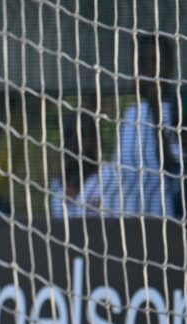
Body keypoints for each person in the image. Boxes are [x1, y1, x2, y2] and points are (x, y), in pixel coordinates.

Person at [111, 33, 182, 217]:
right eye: (142, 63)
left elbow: (173, 168)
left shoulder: (179, 110)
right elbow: (117, 172)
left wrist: (156, 109)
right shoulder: (130, 115)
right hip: (131, 222)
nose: (149, 70)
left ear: (169, 65)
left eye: (155, 61)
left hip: (169, 222)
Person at [50, 112, 117, 218]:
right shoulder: (57, 185)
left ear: (93, 140)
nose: (70, 143)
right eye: (67, 136)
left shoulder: (109, 179)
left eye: (76, 136)